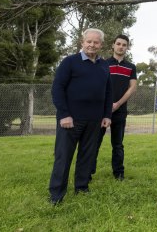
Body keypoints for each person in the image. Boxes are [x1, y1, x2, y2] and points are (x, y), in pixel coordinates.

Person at [48, 28, 112, 205]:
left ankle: (82, 188)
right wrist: (64, 114)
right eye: (89, 41)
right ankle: (56, 194)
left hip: (95, 120)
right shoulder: (70, 62)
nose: (92, 45)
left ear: (101, 44)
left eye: (96, 42)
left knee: (87, 155)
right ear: (82, 42)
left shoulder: (104, 65)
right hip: (71, 120)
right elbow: (57, 89)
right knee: (63, 157)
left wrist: (107, 115)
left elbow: (108, 91)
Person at [92, 34, 137, 181]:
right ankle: (88, 172)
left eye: (124, 45)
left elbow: (132, 88)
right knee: (94, 142)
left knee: (117, 145)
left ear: (127, 47)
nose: (121, 47)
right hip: (101, 111)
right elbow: (97, 85)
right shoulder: (103, 64)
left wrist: (117, 104)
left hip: (120, 111)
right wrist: (107, 104)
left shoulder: (131, 67)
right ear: (113, 45)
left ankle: (118, 174)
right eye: (118, 44)